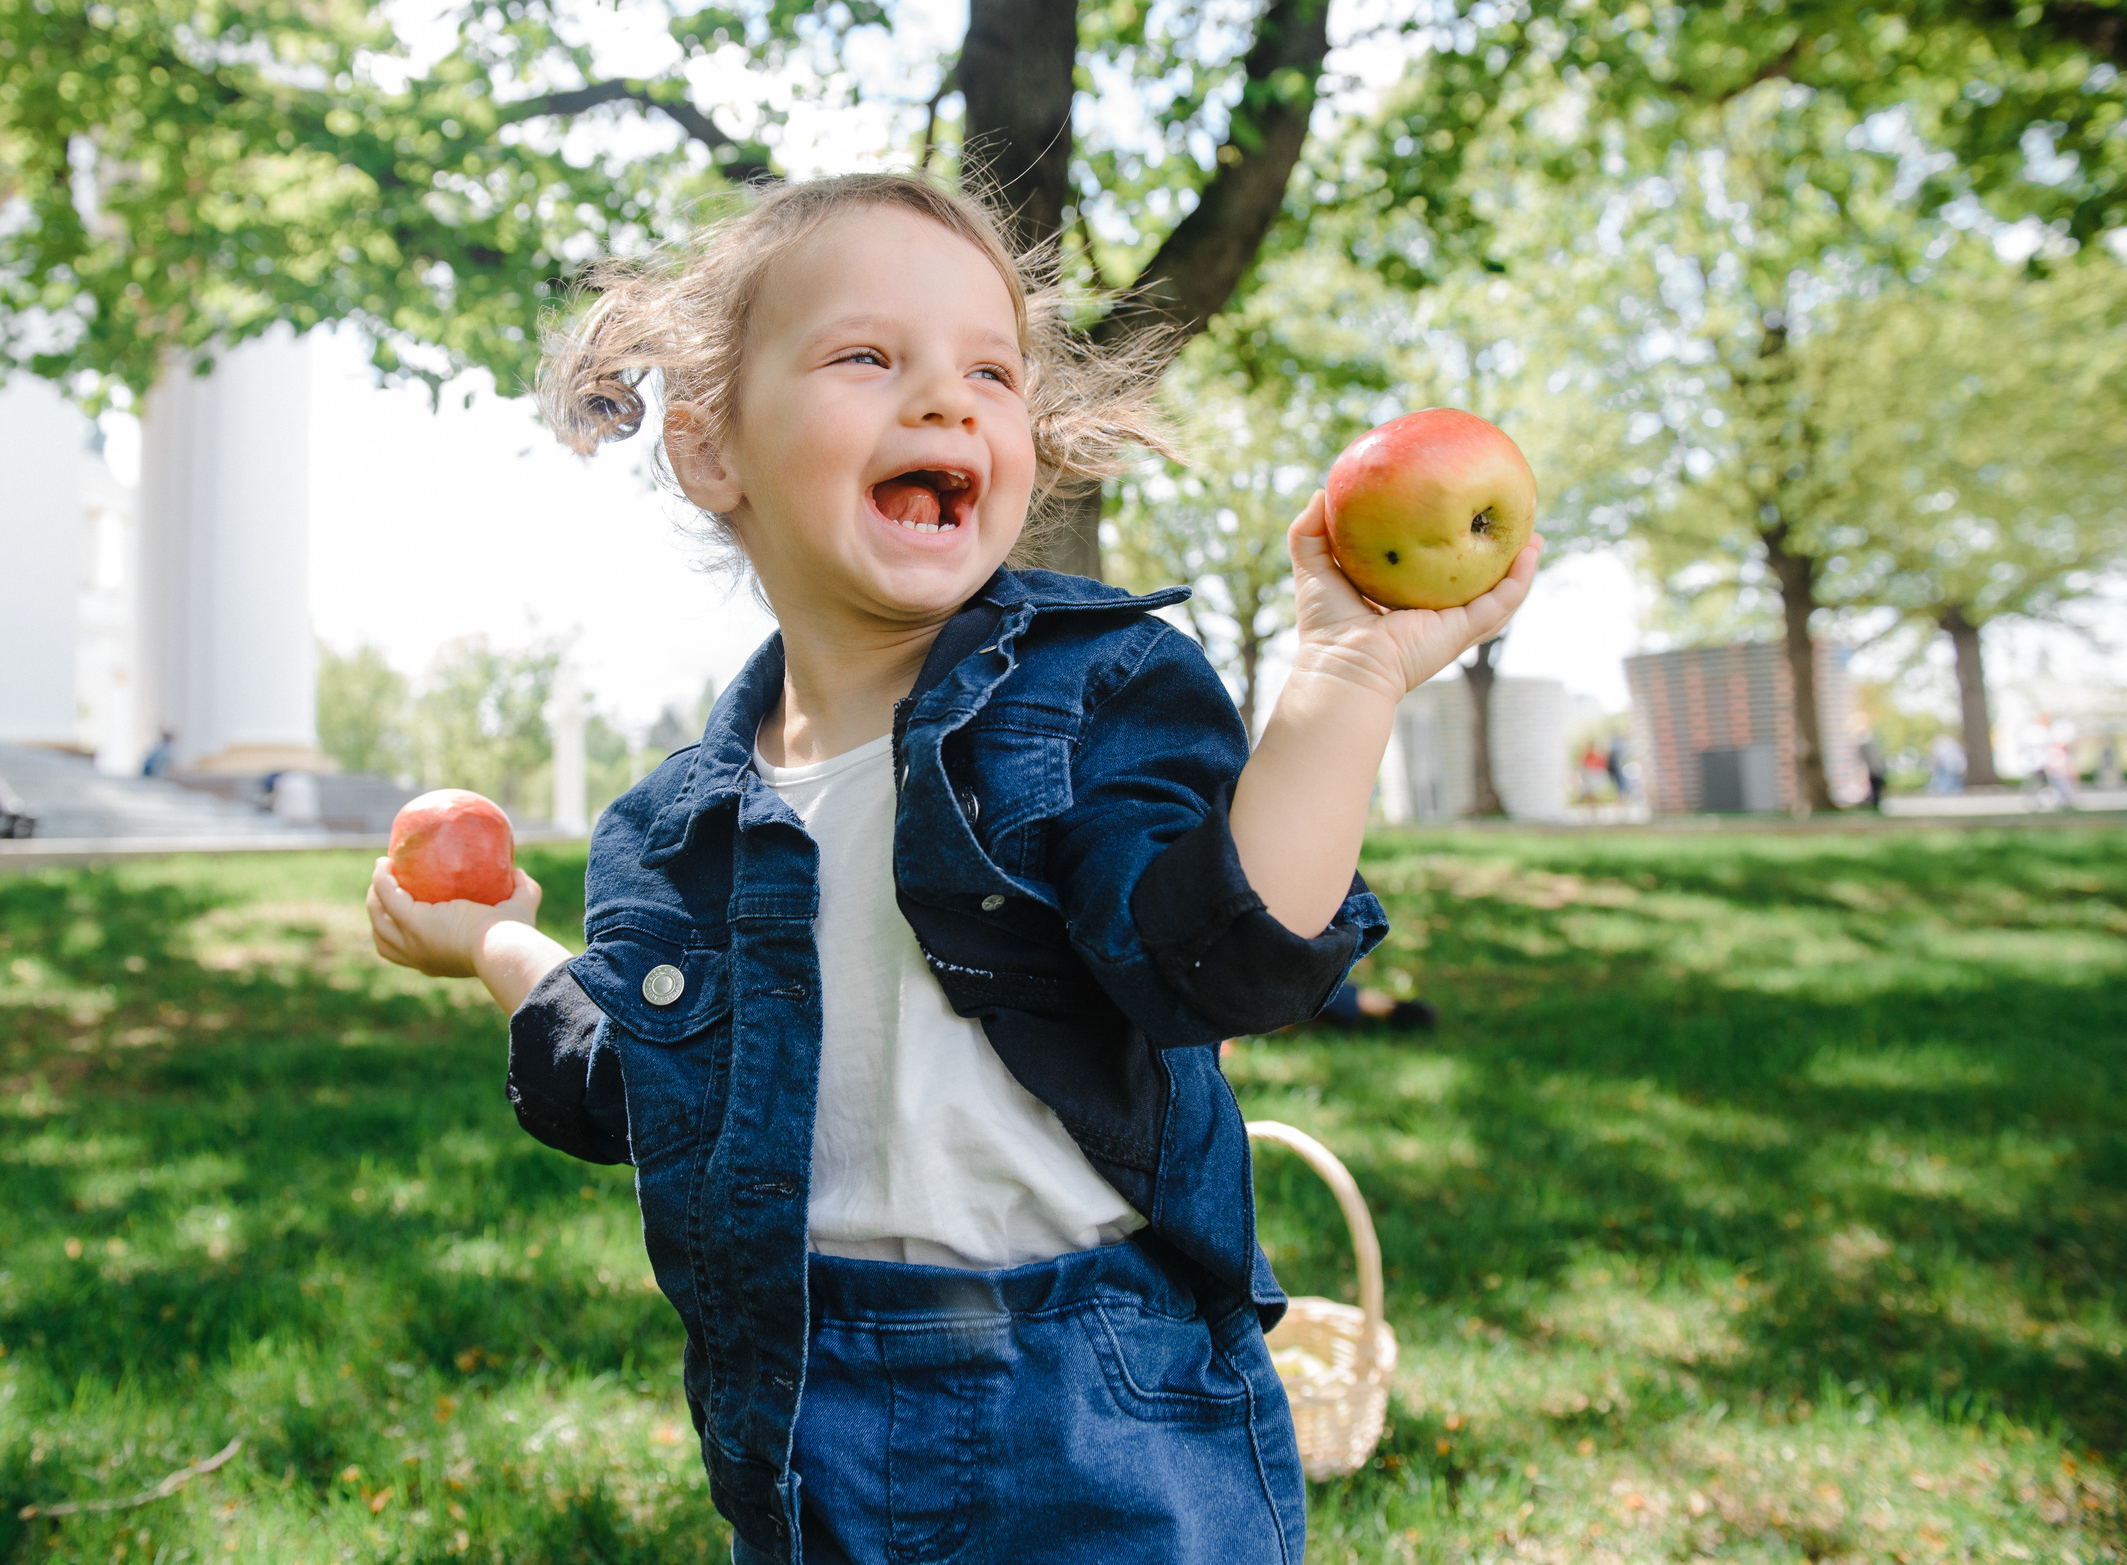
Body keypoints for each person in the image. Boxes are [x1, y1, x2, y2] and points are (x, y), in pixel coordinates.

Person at [364, 175, 1538, 1564]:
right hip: (807, 1405)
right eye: (869, 355)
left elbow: (1216, 955)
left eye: (992, 367)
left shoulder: (1093, 691)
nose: (949, 397)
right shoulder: (672, 830)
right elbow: (628, 1086)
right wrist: (497, 944)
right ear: (710, 448)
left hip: (1109, 1396)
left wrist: (1347, 672)